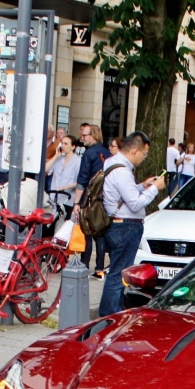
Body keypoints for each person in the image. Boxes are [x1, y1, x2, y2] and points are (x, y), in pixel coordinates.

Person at [98, 131, 165, 315]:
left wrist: (141, 186)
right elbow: (135, 203)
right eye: (144, 154)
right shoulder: (122, 171)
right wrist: (154, 189)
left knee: (116, 272)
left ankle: (112, 310)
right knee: (119, 274)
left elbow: (124, 195)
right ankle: (110, 314)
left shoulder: (112, 163)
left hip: (118, 224)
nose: (144, 158)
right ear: (135, 151)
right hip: (125, 226)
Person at [74, 123, 112, 277]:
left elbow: (82, 179)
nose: (82, 138)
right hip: (104, 197)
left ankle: (84, 264)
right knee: (100, 232)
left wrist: (77, 202)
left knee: (87, 231)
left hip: (89, 197)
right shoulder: (107, 153)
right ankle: (99, 268)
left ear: (94, 136)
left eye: (85, 135)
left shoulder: (89, 154)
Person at [45, 134, 80, 216]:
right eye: (62, 143)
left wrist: (65, 187)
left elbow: (80, 182)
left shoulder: (78, 161)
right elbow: (46, 170)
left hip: (67, 199)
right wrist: (55, 156)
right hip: (54, 198)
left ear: (73, 147)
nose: (63, 146)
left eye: (66, 144)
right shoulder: (59, 159)